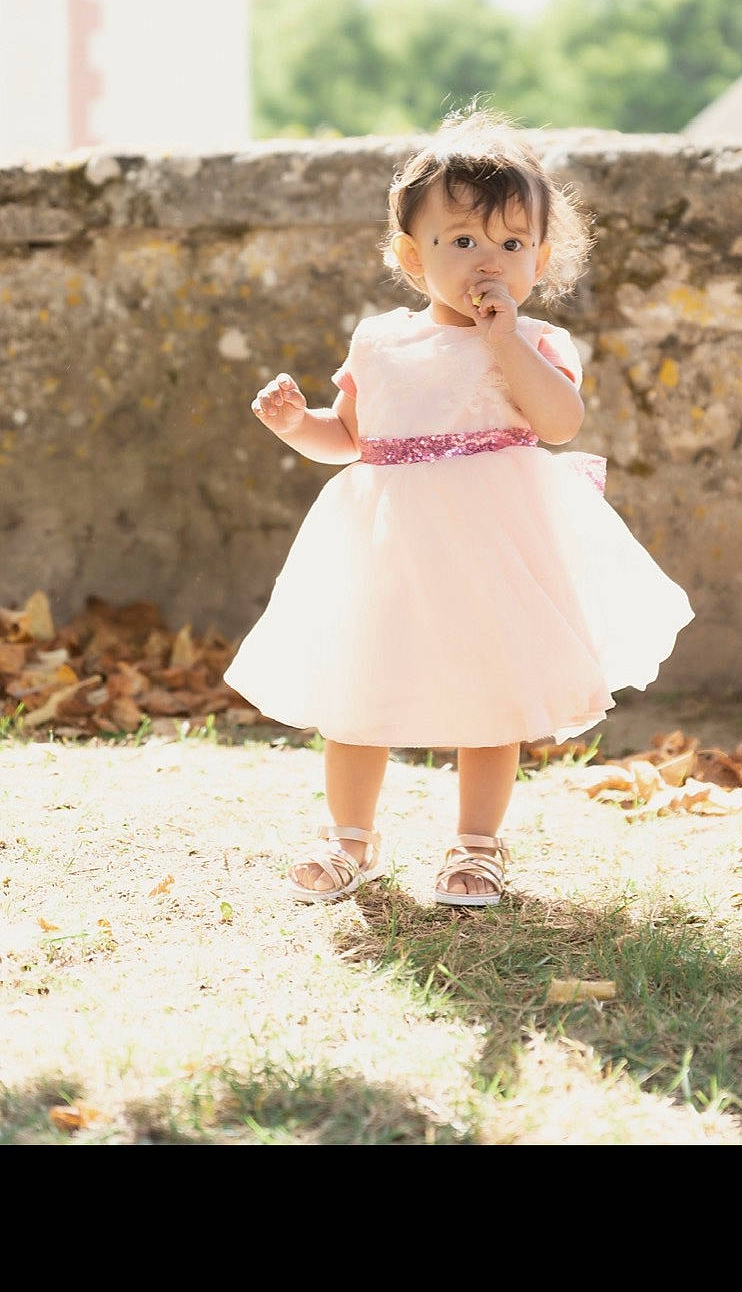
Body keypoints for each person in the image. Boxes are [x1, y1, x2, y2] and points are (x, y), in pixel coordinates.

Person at [224, 105, 694, 907]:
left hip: (491, 547)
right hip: (391, 548)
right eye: (464, 241)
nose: (490, 262)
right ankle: (350, 840)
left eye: (512, 245)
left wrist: (503, 339)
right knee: (360, 689)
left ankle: (476, 846)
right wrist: (300, 425)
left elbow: (558, 422)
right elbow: (354, 437)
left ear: (539, 259)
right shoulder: (380, 342)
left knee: (491, 691)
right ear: (415, 257)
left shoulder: (536, 343)